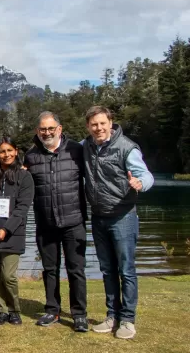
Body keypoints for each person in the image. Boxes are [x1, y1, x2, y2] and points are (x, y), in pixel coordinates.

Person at [83, 106, 154, 339]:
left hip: (123, 217)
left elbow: (145, 174)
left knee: (126, 270)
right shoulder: (87, 147)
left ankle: (127, 320)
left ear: (110, 123)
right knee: (107, 270)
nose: (99, 128)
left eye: (103, 123)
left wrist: (140, 184)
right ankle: (112, 316)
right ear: (88, 127)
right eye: (94, 124)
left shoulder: (126, 147)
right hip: (99, 217)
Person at [23, 112, 88, 332]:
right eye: (43, 129)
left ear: (59, 129)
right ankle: (52, 310)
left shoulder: (76, 151)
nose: (47, 133)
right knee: (50, 269)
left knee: (76, 269)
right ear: (37, 131)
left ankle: (79, 314)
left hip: (74, 222)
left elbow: (96, 176)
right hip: (45, 224)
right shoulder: (30, 157)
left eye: (51, 128)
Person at [0, 136, 34, 326]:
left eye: (9, 150)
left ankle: (14, 310)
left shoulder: (24, 176)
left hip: (13, 232)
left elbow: (22, 208)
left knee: (8, 276)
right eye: (2, 151)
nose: (6, 155)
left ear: (16, 151)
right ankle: (2, 311)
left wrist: (5, 229)